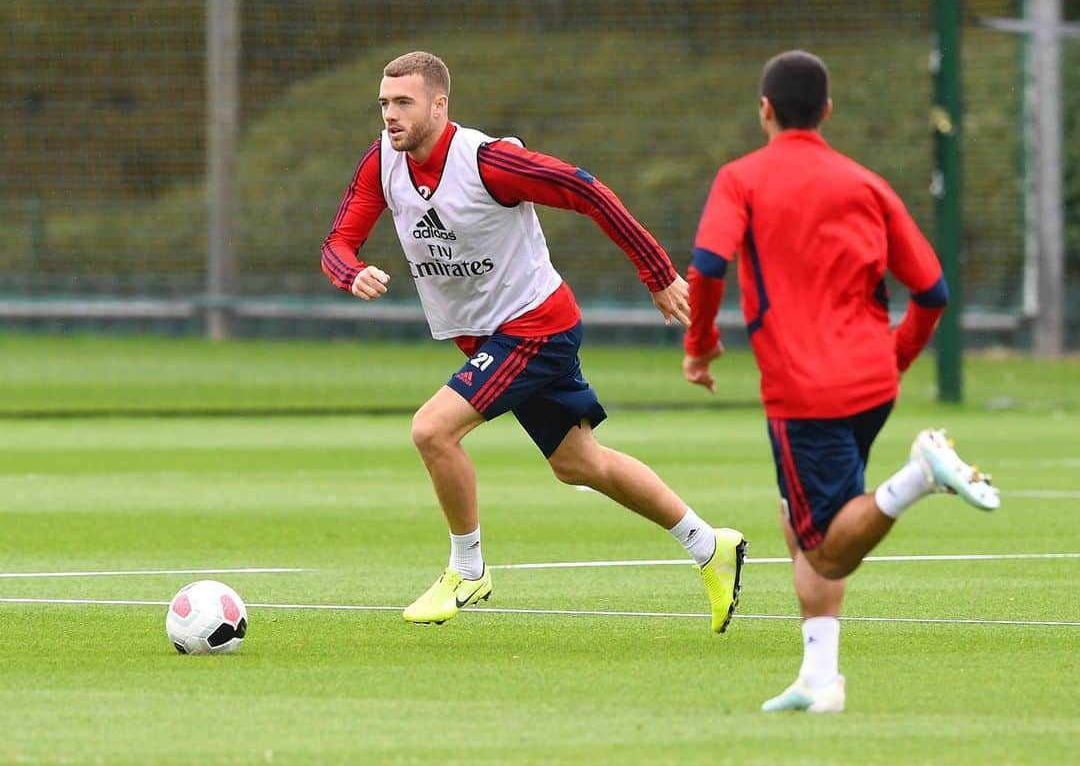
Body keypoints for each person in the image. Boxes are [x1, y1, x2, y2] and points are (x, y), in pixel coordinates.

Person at [322, 50, 746, 631]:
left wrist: (658, 273)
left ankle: (467, 571)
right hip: (494, 338)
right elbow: (337, 242)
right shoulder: (383, 164)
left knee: (432, 430)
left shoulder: (489, 163)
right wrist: (351, 272)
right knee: (578, 464)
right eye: (384, 104)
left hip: (533, 328)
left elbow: (586, 190)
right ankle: (710, 546)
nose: (390, 115)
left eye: (403, 103)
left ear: (439, 105)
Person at [681, 50, 1000, 713]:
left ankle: (920, 475)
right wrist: (898, 358)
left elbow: (708, 263)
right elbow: (933, 291)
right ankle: (820, 678)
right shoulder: (867, 183)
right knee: (799, 518)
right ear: (826, 112)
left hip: (805, 391)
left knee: (825, 550)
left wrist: (702, 343)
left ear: (764, 109)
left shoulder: (742, 178)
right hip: (872, 381)